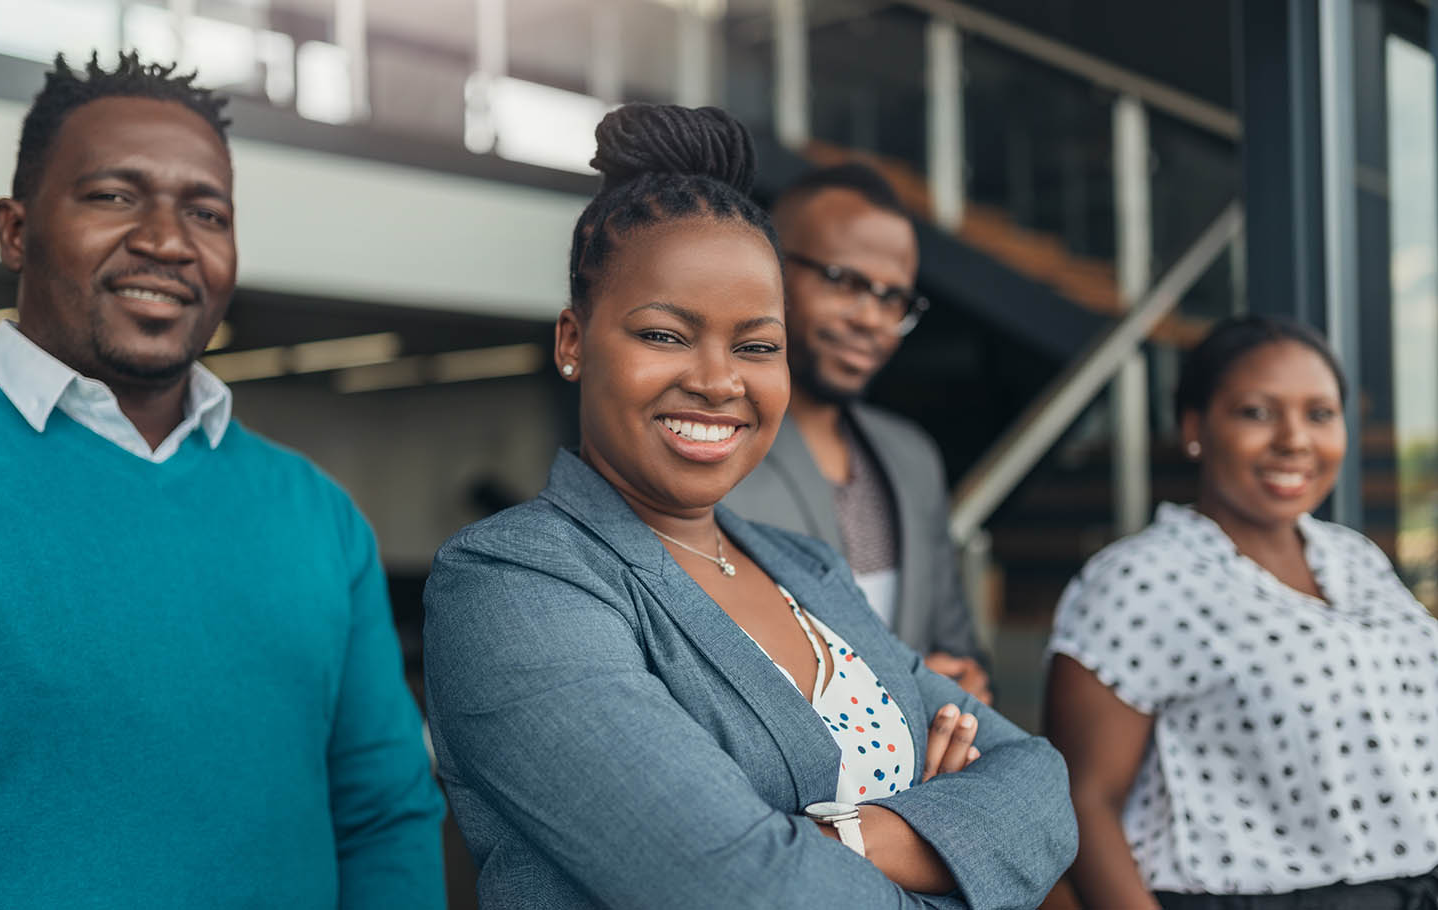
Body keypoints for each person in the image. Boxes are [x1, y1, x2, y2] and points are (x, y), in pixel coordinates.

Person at [424, 103, 1075, 909]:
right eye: (664, 334)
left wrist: (834, 833)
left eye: (756, 345)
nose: (719, 379)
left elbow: (1040, 784)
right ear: (572, 342)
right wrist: (946, 847)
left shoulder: (804, 566)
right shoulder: (512, 584)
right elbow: (742, 889)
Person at [0, 53, 446, 907]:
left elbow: (383, 816)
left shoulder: (318, 518)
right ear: (16, 230)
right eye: (114, 196)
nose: (168, 241)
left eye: (205, 211)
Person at [1045, 316, 1438, 909]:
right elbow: (1084, 800)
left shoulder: (1354, 558)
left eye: (1320, 414)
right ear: (1195, 427)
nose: (1294, 440)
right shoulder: (1141, 580)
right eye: (1257, 412)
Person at [722, 163, 990, 702]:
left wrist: (968, 686)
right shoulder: (711, 442)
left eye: (893, 299)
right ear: (768, 269)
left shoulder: (912, 456)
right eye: (844, 281)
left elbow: (958, 644)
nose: (872, 319)